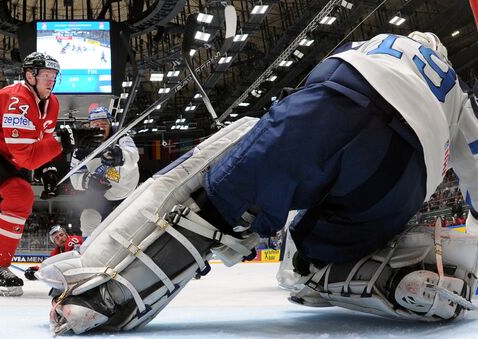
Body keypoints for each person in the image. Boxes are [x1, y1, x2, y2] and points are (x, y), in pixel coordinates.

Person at [36, 32, 478, 335]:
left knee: (216, 201)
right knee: (319, 253)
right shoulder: (457, 92)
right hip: (405, 175)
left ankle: (100, 295)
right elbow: (475, 166)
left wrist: (267, 186)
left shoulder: (378, 43)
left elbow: (316, 90)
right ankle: (388, 274)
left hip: (340, 103)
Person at [0, 52, 80, 296]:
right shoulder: (17, 99)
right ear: (30, 75)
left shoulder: (51, 102)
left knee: (6, 211)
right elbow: (26, 156)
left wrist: (49, 170)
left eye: (54, 75)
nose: (51, 80)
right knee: (20, 195)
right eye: (45, 75)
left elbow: (40, 143)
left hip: (1, 155)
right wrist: (61, 144)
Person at [69, 106, 139, 239]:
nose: (100, 127)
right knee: (88, 217)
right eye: (96, 124)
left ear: (110, 124)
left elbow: (133, 154)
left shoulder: (121, 135)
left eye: (104, 123)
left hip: (125, 189)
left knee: (127, 225)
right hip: (102, 193)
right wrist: (89, 182)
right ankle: (87, 251)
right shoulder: (82, 147)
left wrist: (120, 155)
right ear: (90, 126)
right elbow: (75, 177)